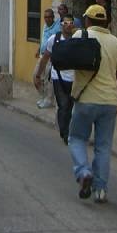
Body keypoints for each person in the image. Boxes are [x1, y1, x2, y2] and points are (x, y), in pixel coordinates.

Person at [68, 4, 117, 204]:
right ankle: (100, 189)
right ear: (106, 22)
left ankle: (84, 172)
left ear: (87, 20)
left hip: (85, 99)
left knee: (76, 138)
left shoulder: (80, 36)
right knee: (103, 146)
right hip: (109, 101)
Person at [34, 14, 76, 143]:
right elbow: (45, 58)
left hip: (74, 79)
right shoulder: (54, 39)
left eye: (71, 23)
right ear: (61, 25)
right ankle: (65, 132)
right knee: (63, 105)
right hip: (58, 77)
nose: (68, 26)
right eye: (65, 23)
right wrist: (38, 75)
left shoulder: (77, 39)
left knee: (71, 107)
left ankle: (68, 130)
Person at [35, 7, 61, 108]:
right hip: (42, 55)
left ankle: (49, 100)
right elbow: (43, 39)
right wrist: (39, 49)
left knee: (47, 79)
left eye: (49, 17)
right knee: (35, 76)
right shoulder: (45, 26)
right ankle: (43, 96)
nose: (47, 19)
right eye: (45, 17)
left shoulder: (57, 27)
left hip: (50, 56)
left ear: (53, 17)